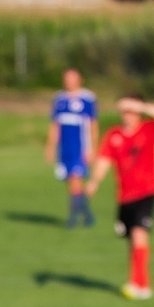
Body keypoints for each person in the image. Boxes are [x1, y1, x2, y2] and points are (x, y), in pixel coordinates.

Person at [85, 95, 154, 301]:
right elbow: (104, 160)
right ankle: (141, 284)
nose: (127, 115)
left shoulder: (149, 128)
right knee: (131, 241)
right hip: (125, 196)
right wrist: (94, 182)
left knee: (139, 233)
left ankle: (137, 284)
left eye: (131, 110)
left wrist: (141, 105)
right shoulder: (114, 134)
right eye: (124, 111)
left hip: (147, 191)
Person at [45, 68, 98, 228]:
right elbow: (55, 125)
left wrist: (93, 147)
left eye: (72, 78)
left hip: (80, 147)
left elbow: (93, 125)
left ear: (80, 79)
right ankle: (87, 214)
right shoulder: (59, 99)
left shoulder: (87, 98)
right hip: (64, 148)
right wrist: (50, 147)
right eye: (66, 78)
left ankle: (73, 217)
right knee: (70, 182)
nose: (69, 81)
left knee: (76, 180)